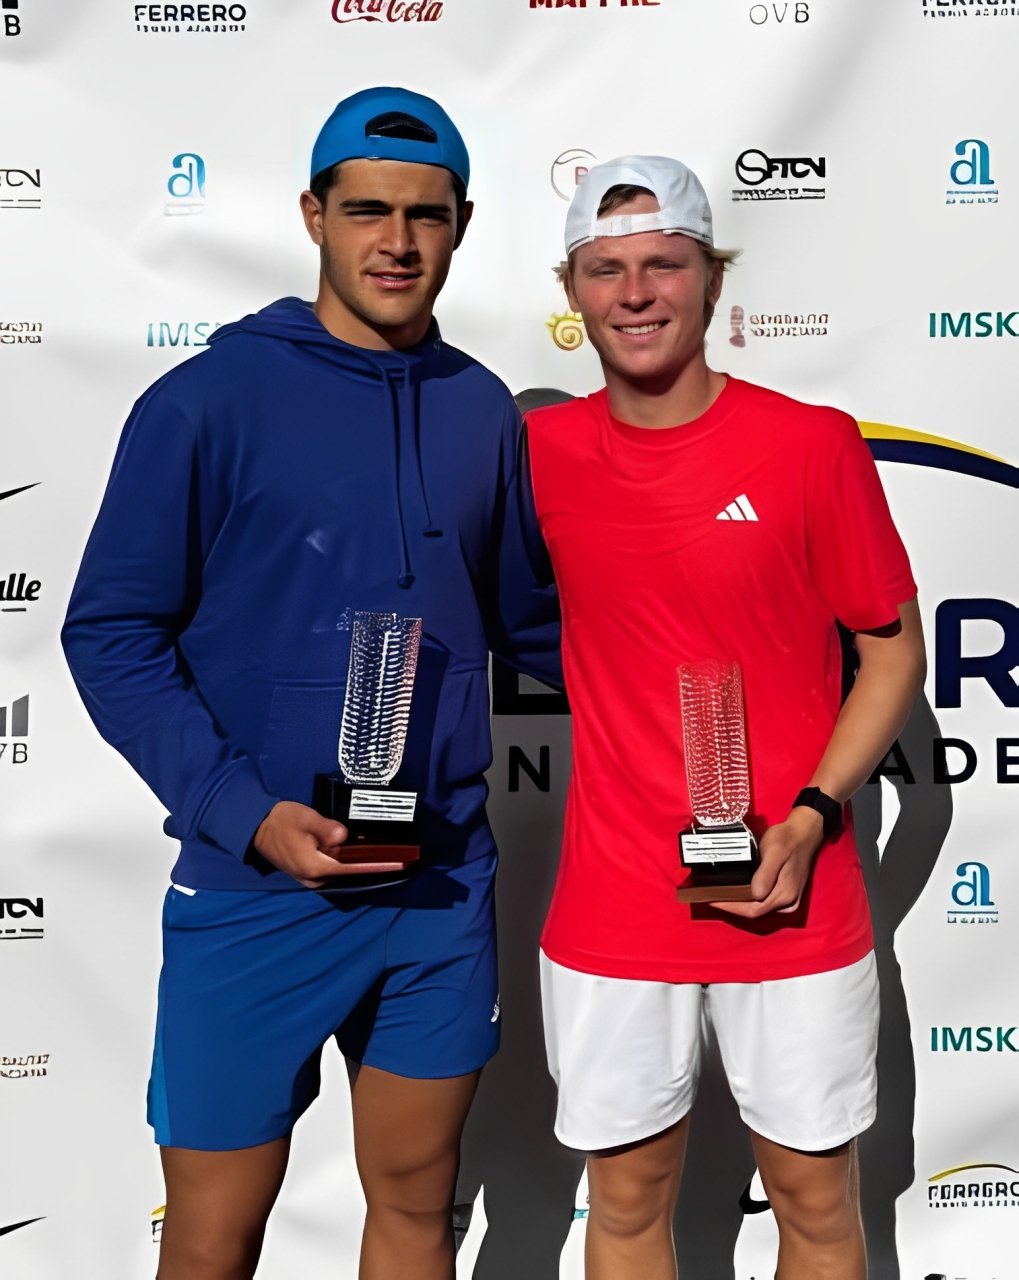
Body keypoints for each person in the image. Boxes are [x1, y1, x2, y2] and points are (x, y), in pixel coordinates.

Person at [61, 86, 558, 1280]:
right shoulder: (207, 400)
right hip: (256, 888)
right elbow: (111, 633)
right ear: (313, 215)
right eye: (368, 211)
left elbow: (540, 628)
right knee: (216, 1232)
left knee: (416, 1208)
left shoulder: (481, 409)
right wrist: (244, 812)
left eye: (425, 217)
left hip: (436, 882)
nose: (396, 242)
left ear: (462, 224)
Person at [526, 156, 926, 1280]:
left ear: (710, 282)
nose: (636, 291)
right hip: (613, 891)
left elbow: (892, 649)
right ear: (573, 293)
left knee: (812, 1196)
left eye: (664, 264)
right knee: (625, 1197)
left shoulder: (809, 444)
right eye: (606, 269)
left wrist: (810, 811)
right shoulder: (538, 454)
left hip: (791, 886)